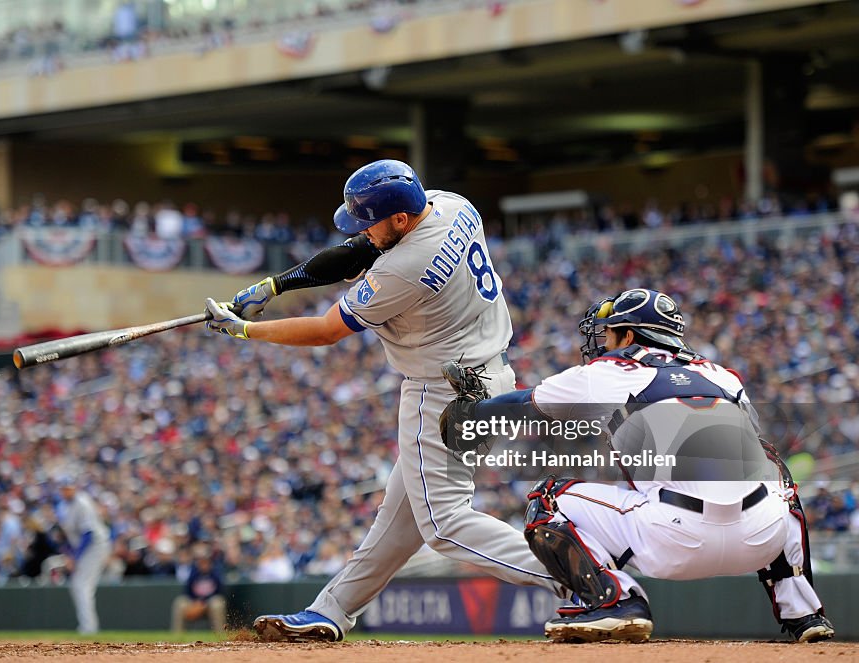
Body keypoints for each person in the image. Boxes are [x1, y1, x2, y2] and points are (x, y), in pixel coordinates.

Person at [203, 159, 564, 642]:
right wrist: (277, 285)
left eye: (370, 219)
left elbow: (328, 329)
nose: (363, 230)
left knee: (444, 523)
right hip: (489, 379)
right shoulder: (452, 205)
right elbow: (357, 250)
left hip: (443, 394)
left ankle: (580, 578)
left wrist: (246, 330)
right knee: (403, 519)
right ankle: (331, 610)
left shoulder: (406, 266)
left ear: (399, 219)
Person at [440, 288, 835, 643]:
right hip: (759, 539)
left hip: (674, 542)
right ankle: (804, 612)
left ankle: (616, 600)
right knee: (777, 480)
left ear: (628, 336)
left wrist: (472, 410)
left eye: (609, 332)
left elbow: (519, 407)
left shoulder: (606, 373)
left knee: (548, 499)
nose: (603, 341)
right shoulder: (723, 376)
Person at [56, 478, 111, 635]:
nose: (66, 491)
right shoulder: (62, 506)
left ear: (75, 488)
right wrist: (68, 554)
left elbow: (88, 534)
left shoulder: (83, 503)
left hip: (95, 546)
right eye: (63, 488)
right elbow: (66, 535)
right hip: (81, 548)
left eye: (69, 488)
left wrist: (75, 557)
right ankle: (87, 627)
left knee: (81, 585)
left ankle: (89, 629)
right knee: (78, 586)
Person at [171, 546, 227, 633]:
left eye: (205, 561)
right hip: (195, 601)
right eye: (201, 562)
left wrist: (204, 602)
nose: (203, 564)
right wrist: (195, 602)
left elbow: (220, 591)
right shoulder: (193, 573)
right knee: (180, 602)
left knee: (217, 603)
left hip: (210, 602)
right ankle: (177, 636)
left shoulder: (215, 572)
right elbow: (187, 591)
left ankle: (221, 634)